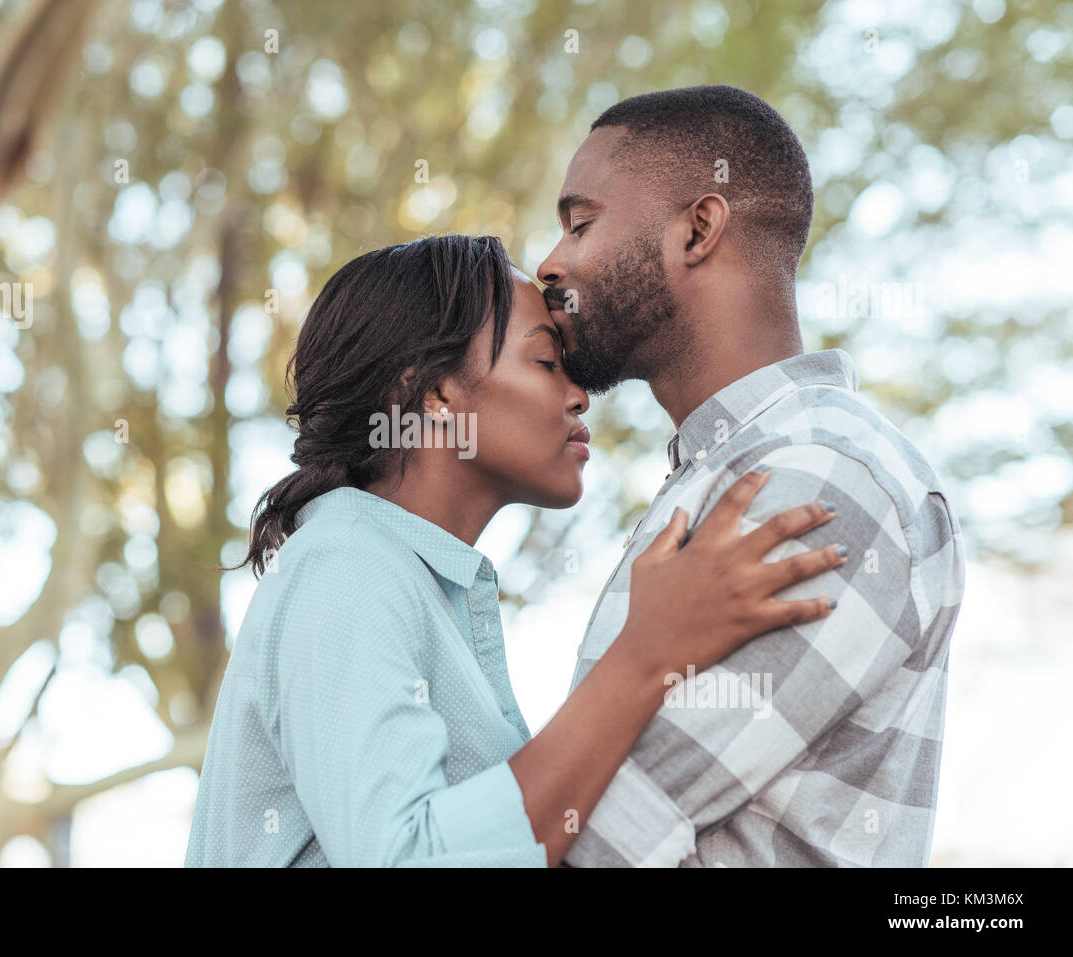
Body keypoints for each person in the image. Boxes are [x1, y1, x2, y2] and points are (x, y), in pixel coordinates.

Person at [183, 233, 848, 867]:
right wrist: (649, 651)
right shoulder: (347, 568)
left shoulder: (415, 584)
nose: (580, 395)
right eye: (545, 362)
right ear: (437, 394)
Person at [537, 85, 965, 867]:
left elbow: (586, 839)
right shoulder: (731, 470)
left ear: (698, 228)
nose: (551, 259)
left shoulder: (820, 473)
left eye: (581, 222)